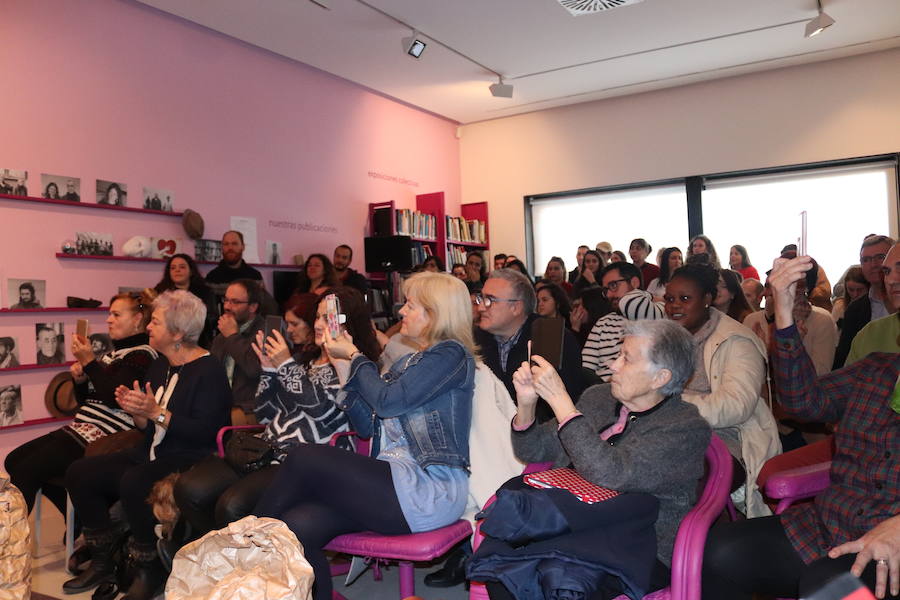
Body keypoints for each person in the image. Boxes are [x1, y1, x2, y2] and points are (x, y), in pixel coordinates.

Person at [254, 272, 477, 600]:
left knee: (302, 456)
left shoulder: (451, 355)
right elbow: (365, 425)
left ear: (435, 312)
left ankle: (245, 549)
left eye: (411, 305)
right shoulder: (412, 361)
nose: (400, 311)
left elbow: (390, 403)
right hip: (394, 486)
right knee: (297, 525)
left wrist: (356, 356)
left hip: (427, 490)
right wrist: (345, 366)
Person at [702, 255, 900, 600]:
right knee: (719, 550)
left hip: (890, 542)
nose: (892, 277)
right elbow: (802, 402)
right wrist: (784, 312)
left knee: (828, 586)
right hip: (830, 526)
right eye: (888, 270)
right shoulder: (876, 371)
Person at [477, 320, 710, 599]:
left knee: (555, 581)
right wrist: (527, 404)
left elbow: (610, 473)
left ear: (660, 378)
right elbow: (534, 450)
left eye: (626, 358)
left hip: (638, 545)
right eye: (618, 354)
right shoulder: (598, 397)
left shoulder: (684, 428)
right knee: (507, 570)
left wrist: (561, 401)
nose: (613, 365)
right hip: (572, 521)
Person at [62, 290, 231, 599]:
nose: (148, 327)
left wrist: (156, 412)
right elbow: (147, 425)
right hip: (151, 449)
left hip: (190, 456)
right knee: (79, 472)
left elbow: (206, 432)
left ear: (178, 333)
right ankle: (102, 560)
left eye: (155, 321)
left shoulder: (210, 370)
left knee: (134, 481)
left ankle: (148, 570)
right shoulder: (161, 364)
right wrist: (138, 411)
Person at [174, 289, 380, 540]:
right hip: (264, 451)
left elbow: (322, 413)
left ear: (347, 322)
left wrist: (284, 366)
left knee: (232, 506)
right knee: (189, 489)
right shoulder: (304, 362)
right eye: (317, 317)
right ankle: (218, 558)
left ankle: (234, 566)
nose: (317, 325)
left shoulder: (355, 366)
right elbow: (264, 414)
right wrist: (270, 371)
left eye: (327, 318)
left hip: (305, 462)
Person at [5, 292, 156, 517]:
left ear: (137, 319)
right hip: (80, 429)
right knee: (13, 460)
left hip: (103, 437)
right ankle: (75, 520)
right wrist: (81, 381)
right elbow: (87, 402)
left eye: (116, 314)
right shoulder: (112, 355)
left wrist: (89, 363)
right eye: (109, 314)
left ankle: (10, 541)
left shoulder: (143, 355)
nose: (108, 320)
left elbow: (115, 399)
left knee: (27, 470)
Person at [664, 263, 780, 517]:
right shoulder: (664, 338)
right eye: (669, 299)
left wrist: (670, 406)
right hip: (671, 434)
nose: (674, 306)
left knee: (679, 485)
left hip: (730, 440)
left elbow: (736, 406)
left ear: (707, 299)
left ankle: (683, 549)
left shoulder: (737, 340)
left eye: (684, 298)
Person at [475, 269, 584, 422]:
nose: (480, 308)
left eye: (490, 300)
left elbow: (555, 408)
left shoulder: (551, 338)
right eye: (481, 299)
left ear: (516, 308)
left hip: (538, 433)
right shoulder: (476, 338)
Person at [834, 235, 895, 368]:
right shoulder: (854, 310)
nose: (873, 265)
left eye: (880, 257)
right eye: (866, 260)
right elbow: (843, 360)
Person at [210, 280, 264, 417]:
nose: (227, 306)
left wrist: (232, 336)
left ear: (253, 307)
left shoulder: (265, 332)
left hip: (250, 412)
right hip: (220, 407)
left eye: (235, 302)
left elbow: (253, 369)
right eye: (226, 300)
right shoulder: (222, 335)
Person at [154, 254, 218, 348]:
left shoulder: (205, 292)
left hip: (199, 338)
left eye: (182, 267)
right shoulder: (161, 291)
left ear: (191, 271)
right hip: (169, 338)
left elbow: (212, 317)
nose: (177, 270)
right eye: (173, 268)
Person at [832, 266, 869, 331]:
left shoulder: (875, 306)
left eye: (860, 290)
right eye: (851, 290)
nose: (855, 294)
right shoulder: (840, 307)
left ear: (868, 288)